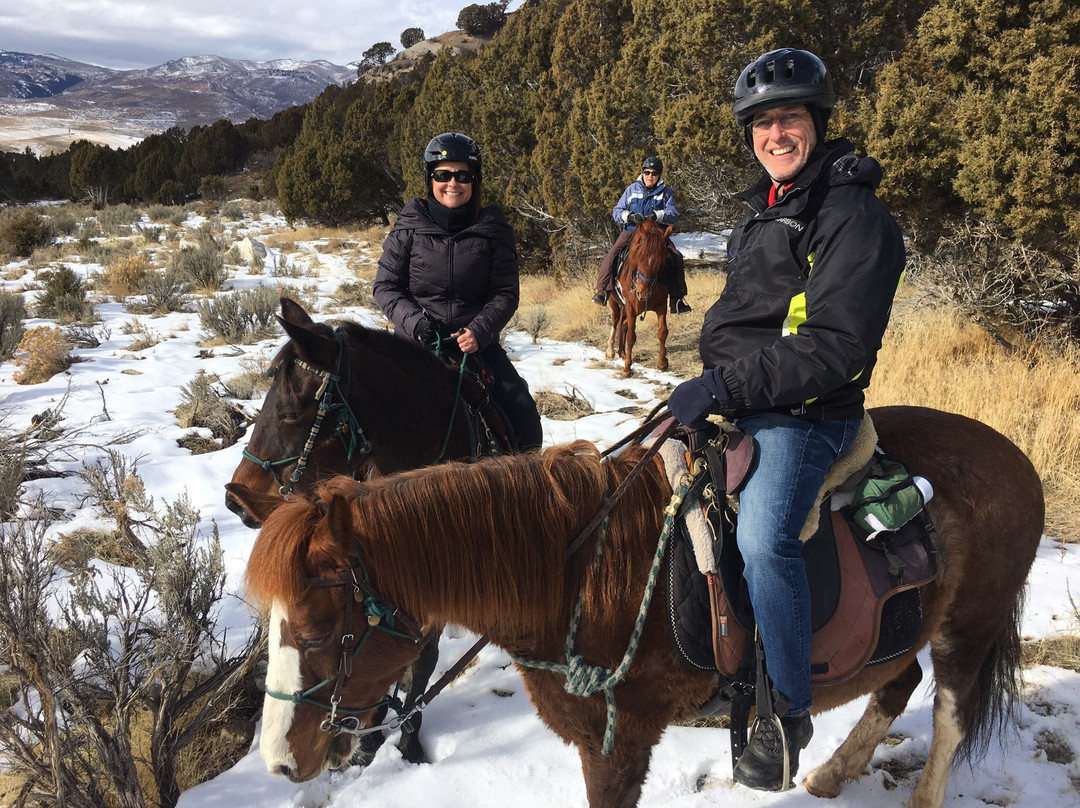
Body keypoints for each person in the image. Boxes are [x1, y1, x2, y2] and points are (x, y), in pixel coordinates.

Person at [666, 49, 906, 791]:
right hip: (741, 397)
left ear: (817, 123)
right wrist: (714, 386)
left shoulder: (852, 216)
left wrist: (723, 384)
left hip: (806, 413)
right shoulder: (764, 209)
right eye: (763, 122)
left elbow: (834, 346)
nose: (776, 134)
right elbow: (752, 318)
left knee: (763, 538)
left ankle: (785, 712)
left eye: (790, 118)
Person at [373, 132, 543, 452]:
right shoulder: (409, 226)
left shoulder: (493, 229)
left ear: (474, 180)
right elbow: (385, 286)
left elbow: (505, 292)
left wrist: (479, 331)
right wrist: (415, 323)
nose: (453, 183)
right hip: (414, 345)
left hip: (475, 348)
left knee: (524, 416)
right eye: (443, 175)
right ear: (430, 179)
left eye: (463, 176)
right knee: (367, 419)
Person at [592, 156, 692, 314]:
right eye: (647, 172)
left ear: (659, 175)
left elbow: (673, 213)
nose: (650, 176)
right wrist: (629, 216)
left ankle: (677, 299)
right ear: (643, 173)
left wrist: (657, 215)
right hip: (632, 231)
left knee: (676, 257)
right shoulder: (632, 189)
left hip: (656, 234)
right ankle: (603, 290)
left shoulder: (666, 192)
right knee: (611, 254)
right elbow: (617, 211)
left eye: (654, 173)